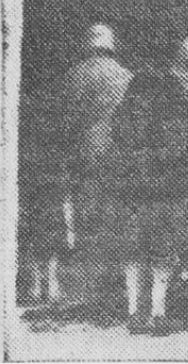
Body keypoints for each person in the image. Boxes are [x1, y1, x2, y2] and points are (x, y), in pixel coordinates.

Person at [107, 39, 188, 335]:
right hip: (165, 191)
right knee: (162, 252)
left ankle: (136, 312)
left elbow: (117, 151)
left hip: (133, 192)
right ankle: (159, 313)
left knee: (134, 252)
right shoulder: (175, 106)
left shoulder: (125, 113)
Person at [23, 23, 133, 306]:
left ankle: (90, 291)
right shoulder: (126, 75)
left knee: (88, 220)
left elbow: (66, 119)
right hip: (119, 157)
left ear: (89, 45)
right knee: (117, 220)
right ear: (111, 45)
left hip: (86, 156)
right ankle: (120, 288)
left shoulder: (76, 74)